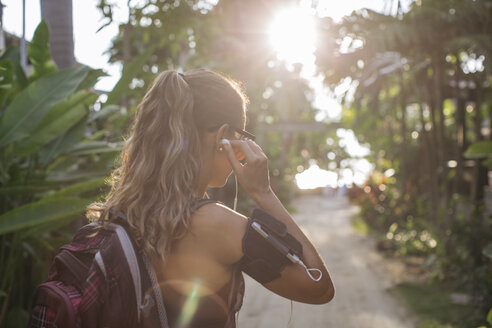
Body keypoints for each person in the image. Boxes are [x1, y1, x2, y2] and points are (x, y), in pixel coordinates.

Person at [86, 69, 334, 328]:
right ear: (222, 137)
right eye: (241, 136)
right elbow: (319, 287)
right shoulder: (217, 224)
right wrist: (263, 193)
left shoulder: (119, 212)